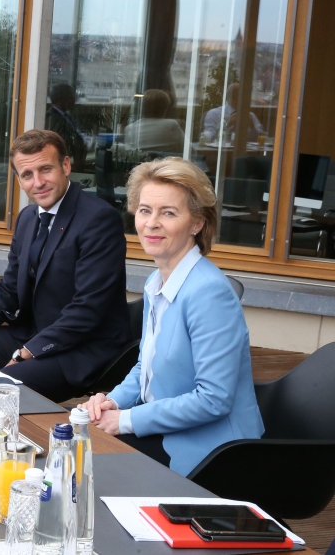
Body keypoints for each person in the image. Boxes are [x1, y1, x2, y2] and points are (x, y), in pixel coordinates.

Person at [81, 157, 264, 476]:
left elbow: (213, 400)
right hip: (166, 429)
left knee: (85, 468)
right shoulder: (158, 282)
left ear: (197, 223)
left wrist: (125, 421)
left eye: (168, 213)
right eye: (144, 210)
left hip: (216, 452)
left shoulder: (209, 293)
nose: (151, 223)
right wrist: (114, 402)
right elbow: (145, 367)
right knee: (69, 451)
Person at [0, 130, 131, 403]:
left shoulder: (99, 220)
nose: (38, 182)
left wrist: (26, 352)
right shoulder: (28, 217)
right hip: (32, 332)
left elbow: (87, 309)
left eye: (46, 169)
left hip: (82, 348)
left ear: (66, 166)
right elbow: (9, 289)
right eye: (27, 174)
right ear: (19, 180)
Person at [124, 89, 184, 153]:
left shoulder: (129, 129)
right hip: (163, 162)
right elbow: (190, 152)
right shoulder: (171, 125)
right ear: (165, 108)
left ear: (143, 107)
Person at [46, 83, 88, 169]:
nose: (74, 101)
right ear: (62, 99)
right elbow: (59, 141)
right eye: (71, 98)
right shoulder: (53, 118)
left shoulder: (66, 115)